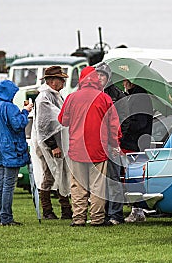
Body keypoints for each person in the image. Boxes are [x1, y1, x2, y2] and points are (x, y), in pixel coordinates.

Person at [58, 66, 121, 227]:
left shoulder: (72, 97)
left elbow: (63, 120)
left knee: (77, 186)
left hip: (77, 148)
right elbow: (114, 125)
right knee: (97, 186)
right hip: (98, 149)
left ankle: (78, 218)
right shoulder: (104, 98)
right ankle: (97, 219)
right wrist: (114, 144)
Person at [31, 66, 72, 220]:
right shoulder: (43, 98)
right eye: (61, 79)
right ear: (53, 81)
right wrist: (53, 145)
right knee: (50, 174)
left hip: (56, 142)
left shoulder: (55, 95)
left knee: (60, 173)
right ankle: (49, 209)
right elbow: (43, 126)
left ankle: (65, 209)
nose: (63, 82)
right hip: (49, 144)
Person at [0, 80, 33, 226]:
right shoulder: (10, 107)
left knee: (1, 183)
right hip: (11, 148)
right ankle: (6, 217)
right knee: (9, 184)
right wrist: (25, 111)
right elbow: (18, 124)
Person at [96, 62, 128, 225]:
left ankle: (116, 214)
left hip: (113, 143)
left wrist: (117, 142)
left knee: (114, 178)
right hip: (96, 143)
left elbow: (123, 120)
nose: (100, 78)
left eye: (103, 75)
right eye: (98, 75)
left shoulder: (118, 95)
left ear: (108, 78)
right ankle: (102, 212)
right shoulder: (91, 94)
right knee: (98, 180)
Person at [120, 79, 153, 223]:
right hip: (137, 143)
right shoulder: (136, 96)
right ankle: (137, 208)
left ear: (132, 82)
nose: (123, 84)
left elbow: (140, 122)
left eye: (125, 81)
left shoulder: (139, 98)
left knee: (134, 178)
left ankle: (138, 210)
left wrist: (123, 125)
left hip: (134, 144)